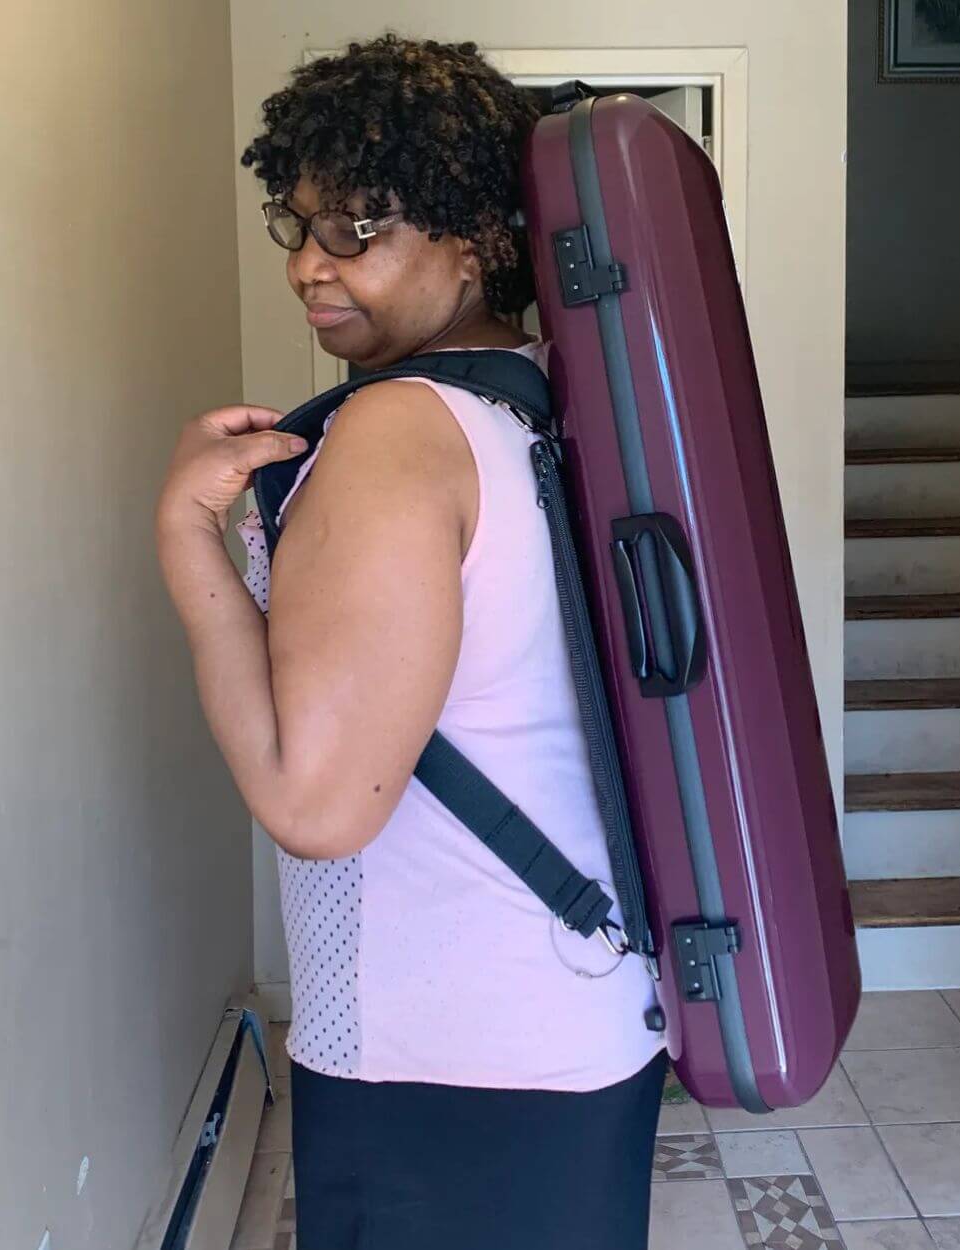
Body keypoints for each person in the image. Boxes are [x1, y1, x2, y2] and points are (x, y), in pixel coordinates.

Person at [155, 33, 667, 1250]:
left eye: (358, 228)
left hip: (446, 1056)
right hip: (569, 1015)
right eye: (299, 225)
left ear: (476, 235)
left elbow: (316, 803)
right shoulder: (526, 393)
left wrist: (187, 536)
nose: (309, 269)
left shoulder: (396, 430)